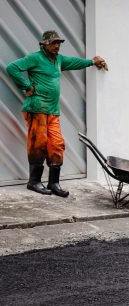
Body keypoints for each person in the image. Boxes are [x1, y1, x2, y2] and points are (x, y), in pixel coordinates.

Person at [6, 30, 107, 197]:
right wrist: (26, 86)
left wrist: (91, 61)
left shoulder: (59, 60)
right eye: (53, 43)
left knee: (57, 144)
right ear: (44, 44)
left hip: (53, 111)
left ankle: (54, 183)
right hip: (36, 108)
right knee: (38, 144)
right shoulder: (35, 58)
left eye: (59, 43)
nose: (57, 46)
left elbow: (74, 62)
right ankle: (34, 182)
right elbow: (12, 68)